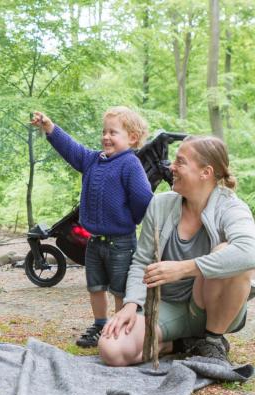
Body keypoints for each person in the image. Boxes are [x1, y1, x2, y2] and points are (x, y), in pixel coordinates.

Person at [99, 136, 255, 366]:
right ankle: (182, 345)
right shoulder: (160, 204)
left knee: (229, 252)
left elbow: (249, 251)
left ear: (206, 172)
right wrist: (131, 304)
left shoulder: (231, 207)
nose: (170, 166)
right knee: (111, 349)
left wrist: (184, 269)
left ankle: (212, 341)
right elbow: (142, 261)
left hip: (211, 307)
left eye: (180, 162)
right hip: (165, 307)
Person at [31, 107, 153, 348]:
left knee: (120, 289)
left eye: (113, 132)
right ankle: (99, 324)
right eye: (104, 131)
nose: (106, 137)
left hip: (121, 242)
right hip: (94, 240)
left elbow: (143, 198)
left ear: (132, 138)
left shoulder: (130, 164)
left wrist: (130, 220)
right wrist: (49, 127)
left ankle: (121, 328)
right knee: (95, 286)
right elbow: (71, 149)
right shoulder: (93, 160)